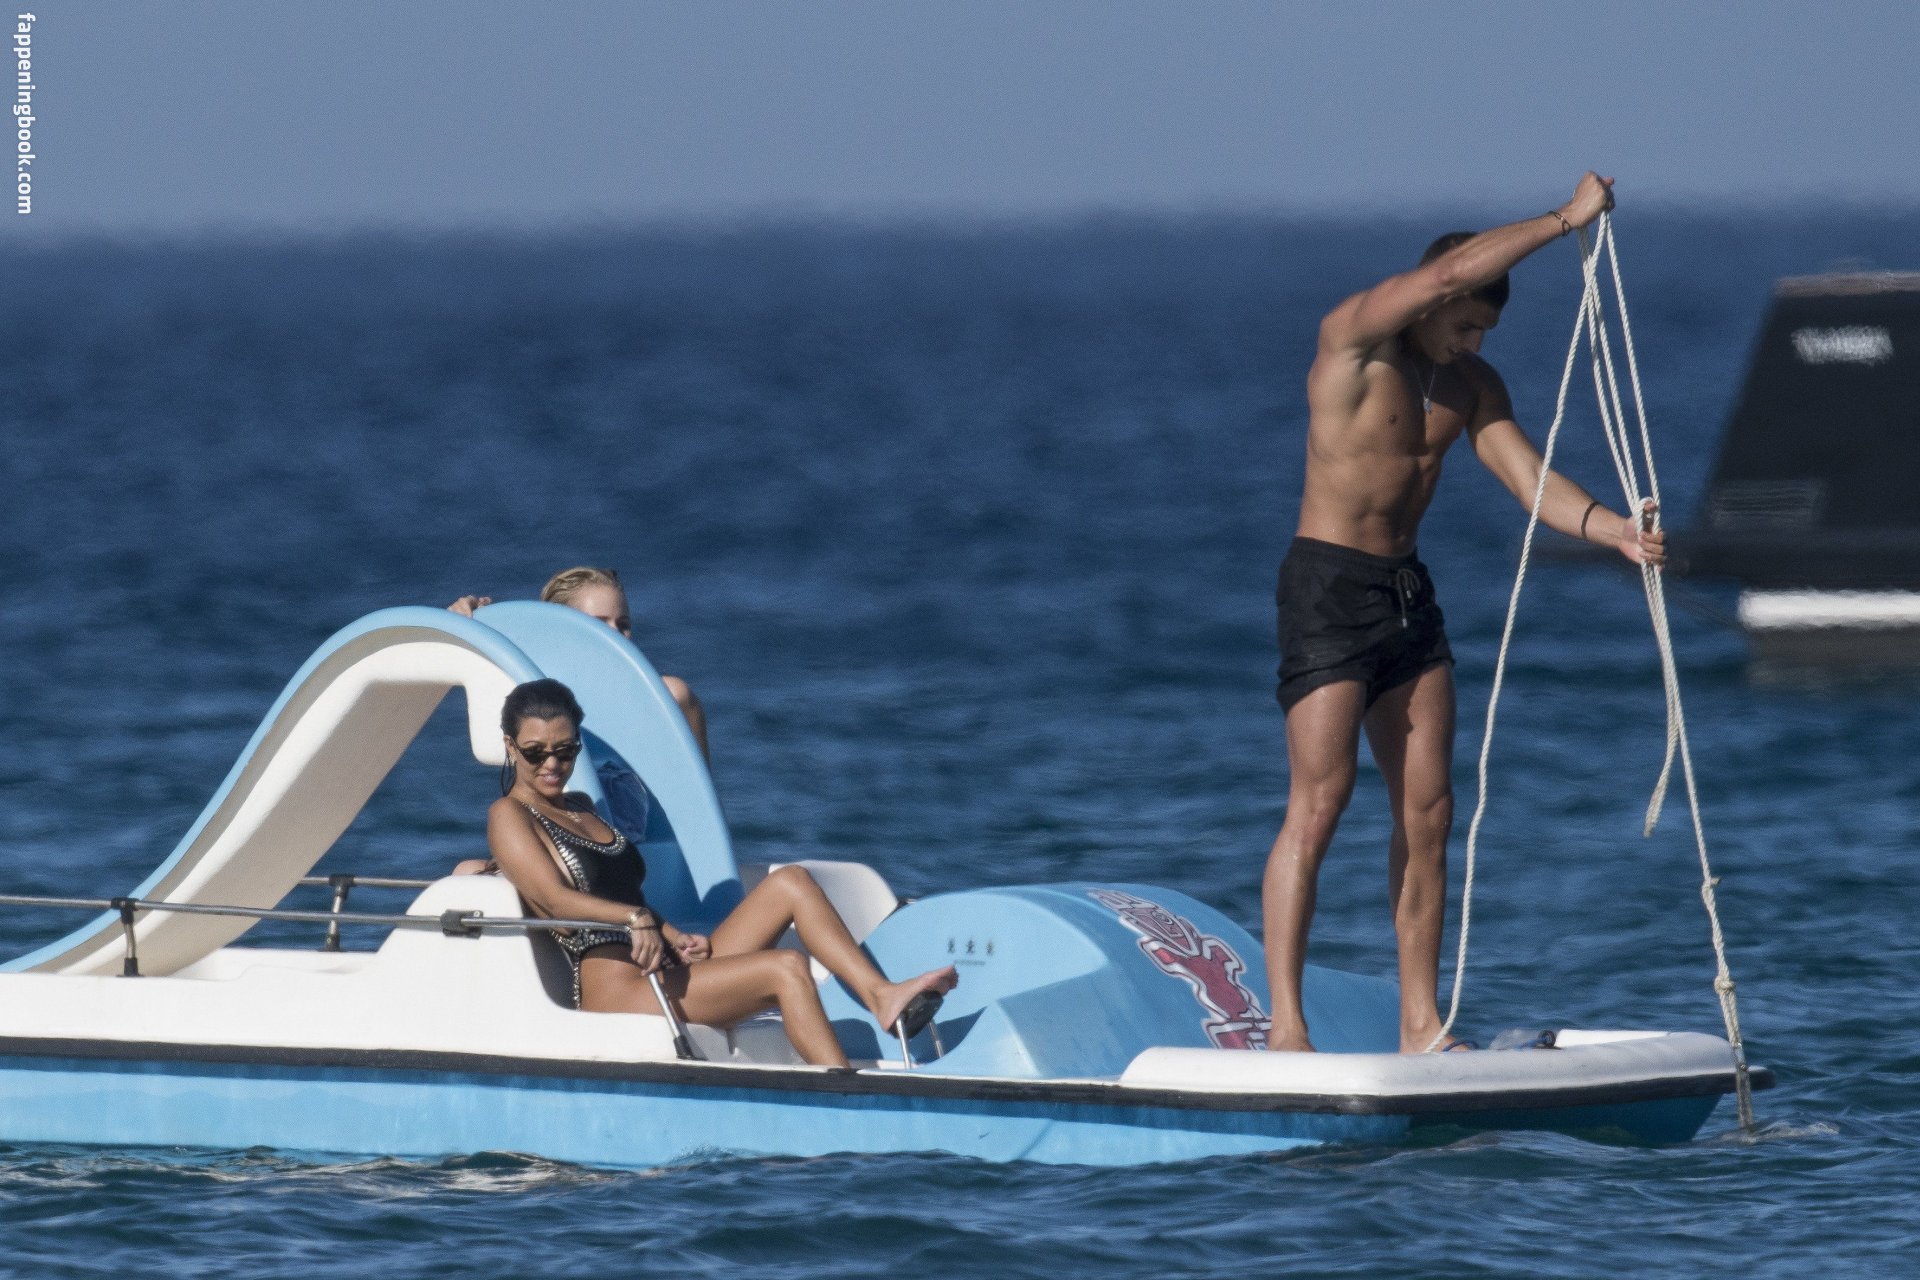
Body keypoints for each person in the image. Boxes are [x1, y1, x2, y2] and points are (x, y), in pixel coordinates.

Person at [1263, 172, 1665, 1055]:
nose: (1471, 340)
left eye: (1484, 331)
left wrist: (1615, 532)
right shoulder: (1352, 342)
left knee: (1431, 811)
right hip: (1328, 589)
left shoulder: (1472, 386)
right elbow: (1446, 275)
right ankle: (1285, 1027)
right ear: (1434, 299)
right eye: (1465, 324)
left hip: (1407, 595)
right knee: (1321, 802)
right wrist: (1565, 219)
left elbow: (1529, 479)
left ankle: (1421, 1024)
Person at [487, 677, 956, 1068]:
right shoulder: (509, 814)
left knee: (791, 882)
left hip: (661, 969)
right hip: (617, 990)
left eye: (565, 751)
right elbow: (555, 898)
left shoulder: (582, 805)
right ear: (510, 746)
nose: (552, 765)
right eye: (535, 753)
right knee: (786, 968)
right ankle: (847, 1097)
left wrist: (671, 933)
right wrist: (635, 920)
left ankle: (880, 995)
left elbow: (622, 894)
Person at [450, 566, 708, 758]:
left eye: (623, 624)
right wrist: (464, 617)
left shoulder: (668, 697)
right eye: (599, 624)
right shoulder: (533, 693)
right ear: (563, 632)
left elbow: (702, 803)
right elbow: (470, 660)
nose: (615, 634)